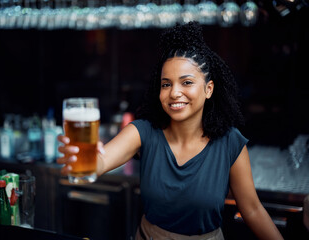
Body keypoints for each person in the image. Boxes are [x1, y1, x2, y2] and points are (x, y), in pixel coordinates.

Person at [57, 22, 283, 240]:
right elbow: (101, 162)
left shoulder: (229, 142)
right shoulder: (143, 132)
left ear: (209, 89)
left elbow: (252, 210)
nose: (174, 93)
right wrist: (81, 158)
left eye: (186, 82)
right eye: (166, 84)